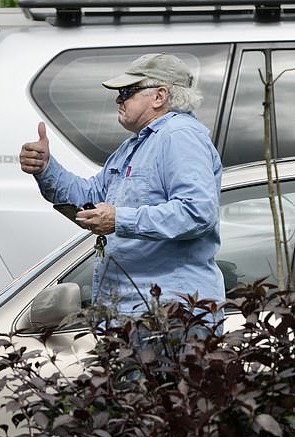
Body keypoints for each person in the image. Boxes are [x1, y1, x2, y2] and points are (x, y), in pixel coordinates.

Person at [19, 53, 225, 319]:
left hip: (171, 314)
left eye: (128, 91)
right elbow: (89, 197)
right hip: (137, 312)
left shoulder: (179, 136)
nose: (118, 99)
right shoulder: (136, 144)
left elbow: (197, 213)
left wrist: (119, 220)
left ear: (159, 96)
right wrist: (45, 167)